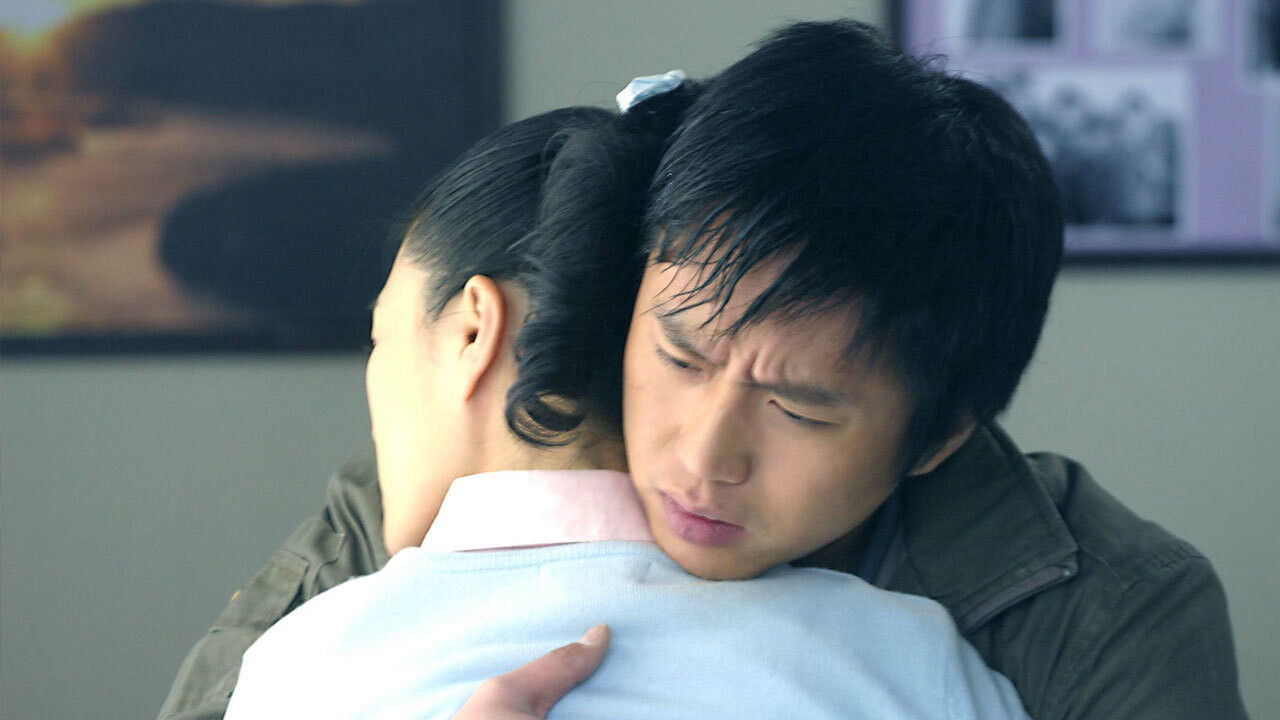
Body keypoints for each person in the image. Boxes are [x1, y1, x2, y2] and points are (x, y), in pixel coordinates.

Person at [160, 19, 1248, 720]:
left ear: (938, 434)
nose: (702, 454)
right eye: (678, 354)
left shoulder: (1102, 610)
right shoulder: (409, 516)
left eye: (799, 410)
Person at [220, 81, 1029, 719]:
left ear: (474, 332)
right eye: (685, 357)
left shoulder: (306, 664)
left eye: (381, 338)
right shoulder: (902, 659)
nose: (707, 458)